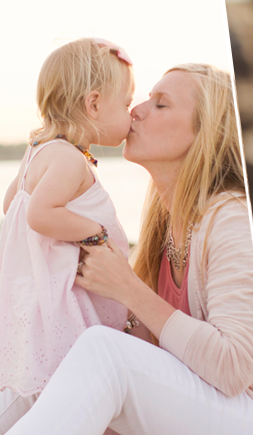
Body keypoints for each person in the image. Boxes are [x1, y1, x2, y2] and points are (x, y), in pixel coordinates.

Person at [4, 63, 253, 435]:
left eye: (160, 104)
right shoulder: (164, 223)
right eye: (145, 99)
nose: (137, 110)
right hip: (196, 405)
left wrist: (127, 288)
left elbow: (234, 368)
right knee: (48, 363)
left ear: (205, 132)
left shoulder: (229, 218)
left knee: (104, 352)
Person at [0, 37, 132, 422]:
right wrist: (95, 233)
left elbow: (12, 203)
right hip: (59, 310)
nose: (131, 113)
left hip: (37, 299)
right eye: (125, 103)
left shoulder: (39, 149)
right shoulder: (69, 160)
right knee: (53, 397)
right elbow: (38, 214)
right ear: (93, 104)